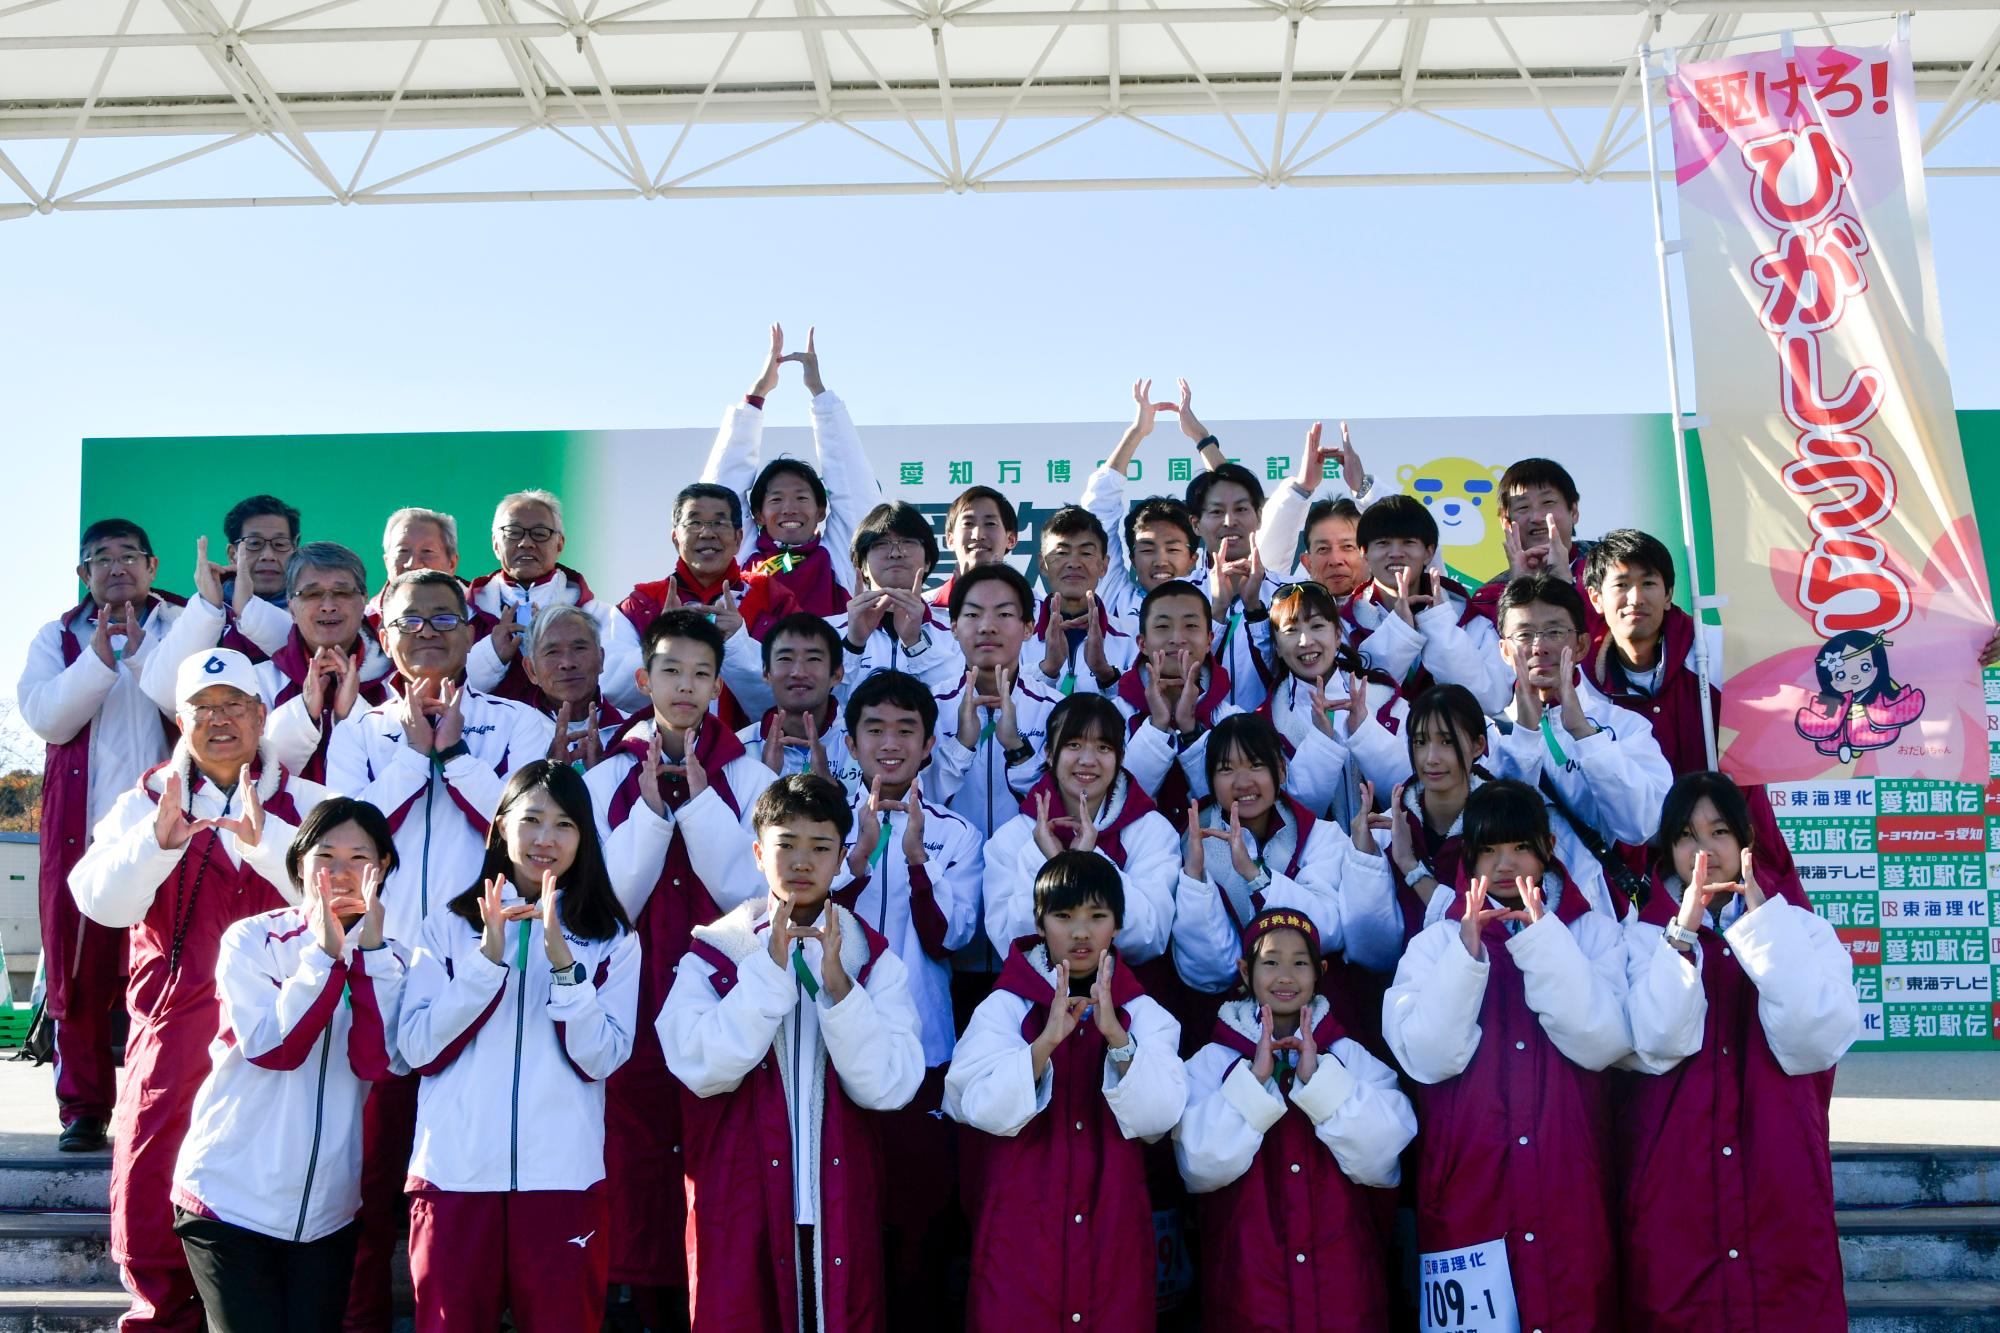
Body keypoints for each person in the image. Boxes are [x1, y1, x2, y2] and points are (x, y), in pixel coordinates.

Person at [71, 648, 331, 1333]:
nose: (220, 720)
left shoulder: (308, 804)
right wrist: (155, 846)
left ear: (261, 715)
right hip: (174, 1039)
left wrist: (267, 844)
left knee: (271, 1222)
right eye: (203, 709)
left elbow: (350, 898)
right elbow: (98, 901)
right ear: (180, 722)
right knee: (153, 1217)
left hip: (280, 1044)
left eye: (235, 705)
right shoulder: (144, 799)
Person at [321, 568, 554, 1333]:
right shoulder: (359, 731)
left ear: (471, 628)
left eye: (444, 617)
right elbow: (345, 838)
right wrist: (411, 754)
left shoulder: (519, 724)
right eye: (410, 620)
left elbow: (526, 832)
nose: (426, 631)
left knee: (463, 1187)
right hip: (379, 976)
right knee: (365, 1182)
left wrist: (453, 758)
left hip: (479, 975)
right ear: (383, 636)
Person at [661, 773, 926, 1333]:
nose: (802, 862)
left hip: (837, 1198)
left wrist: (841, 990)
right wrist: (766, 973)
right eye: (786, 844)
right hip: (742, 1196)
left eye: (821, 847)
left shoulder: (869, 957)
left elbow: (889, 1086)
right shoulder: (718, 949)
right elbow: (698, 1066)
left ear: (842, 859)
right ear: (759, 854)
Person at [396, 761, 639, 1333]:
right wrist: (487, 959)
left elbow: (602, 1057)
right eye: (531, 820)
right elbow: (417, 1048)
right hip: (454, 1177)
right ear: (502, 825)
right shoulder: (448, 927)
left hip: (563, 1181)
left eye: (564, 824)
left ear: (584, 838)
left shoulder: (611, 939)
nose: (545, 839)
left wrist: (564, 965)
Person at [1382, 778, 1633, 1333]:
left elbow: (1603, 1041)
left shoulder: (1592, 932)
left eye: (1519, 846)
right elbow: (1428, 1056)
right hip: (1469, 1190)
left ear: (1547, 848)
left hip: (1568, 1185)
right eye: (1489, 849)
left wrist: (1542, 940)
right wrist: (1466, 958)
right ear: (1469, 857)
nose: (1504, 864)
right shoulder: (1435, 942)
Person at [582, 609, 778, 1314]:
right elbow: (605, 903)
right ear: (643, 679)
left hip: (718, 1000)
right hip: (630, 1000)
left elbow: (754, 896)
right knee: (631, 1152)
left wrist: (698, 807)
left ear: (719, 684)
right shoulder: (606, 776)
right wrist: (649, 814)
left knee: (718, 1155)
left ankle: (717, 1305)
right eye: (671, 671)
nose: (686, 686)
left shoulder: (749, 777)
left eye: (701, 673)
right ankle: (637, 1301)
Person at [1619, 772, 1859, 1332]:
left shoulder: (1803, 929)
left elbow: (1815, 1041)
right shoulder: (1639, 934)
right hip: (1676, 1178)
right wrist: (1682, 936)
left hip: (1780, 1172)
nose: (1702, 849)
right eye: (1686, 835)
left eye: (1719, 831)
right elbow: (1657, 1039)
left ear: (1747, 839)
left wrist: (1762, 926)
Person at [171, 799, 405, 1333]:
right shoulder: (252, 939)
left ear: (383, 866)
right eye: (325, 855)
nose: (341, 872)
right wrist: (323, 955)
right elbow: (274, 1049)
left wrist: (368, 956)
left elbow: (377, 1061)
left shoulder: (394, 959)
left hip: (326, 1214)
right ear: (299, 862)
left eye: (359, 857)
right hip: (228, 1200)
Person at [945, 851, 1189, 1332]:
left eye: (1097, 917)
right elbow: (972, 1104)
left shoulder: (1143, 1012)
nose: (1081, 933)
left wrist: (1117, 1037)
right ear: (1039, 924)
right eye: (1064, 917)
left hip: (1112, 1229)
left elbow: (1159, 1117)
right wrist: (1045, 1043)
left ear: (1117, 925)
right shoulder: (1006, 1005)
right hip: (1020, 1232)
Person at [19, 518, 183, 1153]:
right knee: (80, 977)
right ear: (83, 573)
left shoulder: (180, 623)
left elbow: (197, 709)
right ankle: (84, 1109)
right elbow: (48, 720)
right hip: (82, 837)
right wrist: (100, 657)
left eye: (129, 556)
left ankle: (162, 1103)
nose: (117, 568)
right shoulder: (60, 635)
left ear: (152, 565)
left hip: (169, 833)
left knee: (168, 971)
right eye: (101, 559)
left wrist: (141, 655)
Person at [1173, 908, 1414, 1333]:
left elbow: (1384, 1160)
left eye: (1300, 962)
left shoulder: (1349, 1054)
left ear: (1320, 972)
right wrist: (1254, 1081)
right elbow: (1199, 1166)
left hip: (1345, 1291)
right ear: (1245, 971)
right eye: (1270, 962)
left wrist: (1320, 1081)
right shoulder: (1213, 1061)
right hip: (1248, 1294)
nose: (1285, 976)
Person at [833, 672, 984, 1324]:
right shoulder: (824, 825)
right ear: (851, 742)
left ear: (928, 745)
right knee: (846, 1214)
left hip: (925, 1051)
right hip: (835, 1049)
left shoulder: (958, 832)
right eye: (875, 729)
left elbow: (952, 937)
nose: (890, 744)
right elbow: (806, 928)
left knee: (921, 1218)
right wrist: (856, 861)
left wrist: (918, 861)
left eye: (905, 731)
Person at [1170, 713, 1402, 996]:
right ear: (1210, 780)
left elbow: (1330, 929)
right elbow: (1209, 973)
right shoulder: (1193, 845)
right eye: (1226, 769)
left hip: (1315, 998)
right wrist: (1194, 877)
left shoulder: (1319, 836)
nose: (1242, 782)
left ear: (1280, 770)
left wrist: (1256, 876)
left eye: (1256, 765)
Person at [1489, 572, 1673, 913]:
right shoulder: (1484, 736)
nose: (1539, 646)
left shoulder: (1626, 727)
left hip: (1602, 914)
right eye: (1524, 634)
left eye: (1555, 632)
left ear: (1582, 646)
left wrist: (1584, 734)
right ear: (1504, 650)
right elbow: (1494, 830)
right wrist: (1526, 734)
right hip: (1512, 915)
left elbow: (1642, 826)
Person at [142, 542, 394, 782]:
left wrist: (352, 712)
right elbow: (244, 773)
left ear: (364, 599)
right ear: (291, 606)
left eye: (342, 592)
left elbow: (402, 773)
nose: (328, 606)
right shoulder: (255, 682)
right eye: (312, 593)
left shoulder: (394, 678)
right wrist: (304, 712)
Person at [982, 693, 1179, 967]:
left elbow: (1149, 938)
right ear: (1049, 753)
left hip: (1123, 991)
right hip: (1039, 992)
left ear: (1120, 757)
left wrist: (1089, 861)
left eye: (1103, 747)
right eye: (1073, 745)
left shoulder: (1152, 830)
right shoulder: (1012, 838)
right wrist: (1050, 863)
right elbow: (1011, 942)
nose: (1087, 760)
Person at [702, 325, 878, 618]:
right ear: (757, 515)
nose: (789, 508)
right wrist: (758, 393)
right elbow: (720, 494)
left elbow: (853, 487)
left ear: (821, 511)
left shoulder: (836, 560)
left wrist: (819, 391)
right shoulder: (741, 557)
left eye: (801, 497)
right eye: (776, 499)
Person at [603, 480, 799, 722]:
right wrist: (662, 639)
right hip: (661, 745)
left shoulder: (773, 599)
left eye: (719, 522)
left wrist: (737, 643)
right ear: (676, 538)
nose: (707, 533)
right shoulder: (640, 605)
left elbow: (796, 693)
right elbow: (611, 691)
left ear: (738, 538)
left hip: (752, 745)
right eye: (694, 522)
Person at [1342, 494, 1513, 713]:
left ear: (1429, 552)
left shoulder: (1468, 617)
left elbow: (1492, 700)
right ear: (1364, 553)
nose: (1395, 553)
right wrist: (1399, 632)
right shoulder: (1342, 625)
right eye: (1383, 543)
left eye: (1408, 542)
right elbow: (1352, 702)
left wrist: (1440, 628)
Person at [929, 564, 1060, 838]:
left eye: (1004, 614)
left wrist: (1018, 750)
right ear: (954, 627)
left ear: (1028, 628)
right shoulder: (929, 708)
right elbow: (918, 798)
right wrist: (961, 746)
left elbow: (1063, 805)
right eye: (972, 614)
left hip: (1028, 860)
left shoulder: (1055, 709)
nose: (987, 627)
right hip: (947, 861)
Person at [1106, 579, 1243, 818]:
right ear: (1142, 643)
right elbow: (1112, 803)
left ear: (1209, 640)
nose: (1177, 638)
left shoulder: (1233, 721)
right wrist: (1157, 726)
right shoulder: (1112, 717)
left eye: (1191, 625)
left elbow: (1236, 804)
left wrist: (1190, 730)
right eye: (1162, 626)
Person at [464, 490, 611, 705]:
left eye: (540, 533)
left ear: (559, 544)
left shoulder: (597, 615)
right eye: (513, 532)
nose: (526, 543)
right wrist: (492, 654)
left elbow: (613, 689)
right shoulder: (465, 613)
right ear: (496, 544)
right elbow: (443, 688)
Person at [1260, 580, 1384, 820]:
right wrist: (1321, 741)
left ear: (1337, 636)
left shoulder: (1385, 698)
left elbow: (1407, 784)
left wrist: (1365, 732)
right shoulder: (1269, 722)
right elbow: (1290, 816)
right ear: (1277, 647)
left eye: (1317, 626)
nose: (1305, 641)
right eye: (1291, 630)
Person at [1084, 379, 1203, 623]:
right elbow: (1098, 510)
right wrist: (1137, 432)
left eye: (1173, 549)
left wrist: (1201, 437)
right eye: (1147, 549)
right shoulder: (1116, 600)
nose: (1160, 560)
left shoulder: (1213, 601)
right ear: (1132, 559)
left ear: (1193, 559)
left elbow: (1231, 508)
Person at [830, 501, 966, 698]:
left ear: (928, 561)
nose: (895, 553)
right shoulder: (829, 632)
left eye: (908, 542)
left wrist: (915, 644)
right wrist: (854, 644)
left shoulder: (956, 634)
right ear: (863, 565)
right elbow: (820, 700)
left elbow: (955, 701)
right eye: (881, 544)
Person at [1467, 457, 1599, 632]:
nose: (1536, 517)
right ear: (1506, 522)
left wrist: (1565, 584)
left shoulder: (1609, 571)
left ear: (1574, 511)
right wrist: (1519, 591)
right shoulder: (1489, 598)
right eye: (1523, 507)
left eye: (1548, 503)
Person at [1022, 506, 1137, 697]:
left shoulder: (1131, 637)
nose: (1074, 563)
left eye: (1086, 553)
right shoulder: (1018, 636)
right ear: (1043, 564)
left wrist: (1105, 673)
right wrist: (1048, 669)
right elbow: (1004, 700)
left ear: (1104, 565)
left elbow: (1141, 706)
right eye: (1061, 552)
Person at [738, 612, 857, 786]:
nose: (799, 672)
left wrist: (827, 783)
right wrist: (765, 777)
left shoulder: (861, 744)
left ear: (836, 674)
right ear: (766, 673)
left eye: (813, 659)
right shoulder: (739, 749)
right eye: (785, 658)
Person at [1255, 421, 1375, 591]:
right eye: (1323, 549)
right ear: (1307, 562)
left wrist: (1364, 489)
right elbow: (1264, 569)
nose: (1335, 560)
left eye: (1348, 546)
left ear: (1369, 556)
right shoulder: (1291, 606)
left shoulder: (1399, 602)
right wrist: (1301, 489)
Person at [521, 604, 626, 770]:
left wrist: (603, 774)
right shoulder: (514, 735)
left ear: (600, 659)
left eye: (579, 648)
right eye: (552, 652)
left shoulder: (635, 732)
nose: (567, 663)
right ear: (531, 670)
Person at [929, 485, 1022, 610]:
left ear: (1011, 539)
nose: (978, 535)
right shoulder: (921, 611)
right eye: (968, 524)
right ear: (950, 540)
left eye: (990, 524)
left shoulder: (1037, 609)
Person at [369, 508, 460, 627]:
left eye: (427, 551)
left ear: (452, 563)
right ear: (387, 562)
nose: (413, 564)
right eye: (403, 551)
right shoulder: (364, 624)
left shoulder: (479, 617)